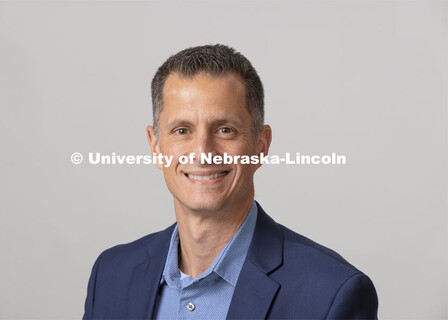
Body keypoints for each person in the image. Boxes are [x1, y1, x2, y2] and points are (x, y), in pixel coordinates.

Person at [82, 44, 378, 319]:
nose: (202, 152)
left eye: (225, 129)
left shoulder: (331, 294)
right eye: (182, 131)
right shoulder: (110, 275)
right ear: (156, 147)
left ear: (260, 146)